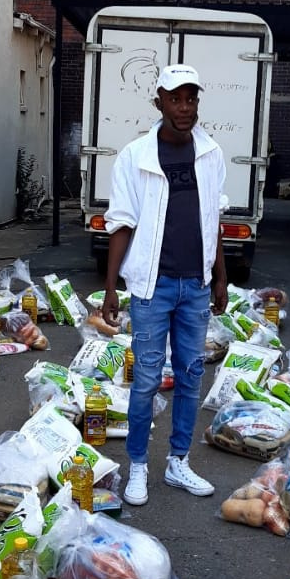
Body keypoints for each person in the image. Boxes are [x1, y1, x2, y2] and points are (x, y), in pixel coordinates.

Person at [101, 64, 228, 506]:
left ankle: (178, 462)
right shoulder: (135, 156)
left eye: (191, 98)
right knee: (147, 380)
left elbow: (213, 219)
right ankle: (138, 464)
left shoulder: (210, 154)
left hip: (195, 285)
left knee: (191, 375)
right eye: (175, 99)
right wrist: (112, 287)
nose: (184, 107)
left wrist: (220, 277)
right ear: (159, 102)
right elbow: (121, 222)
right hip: (151, 287)